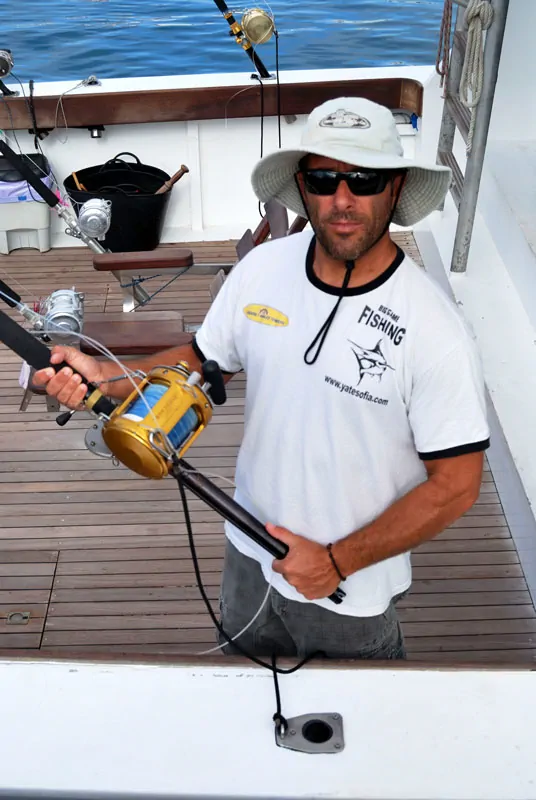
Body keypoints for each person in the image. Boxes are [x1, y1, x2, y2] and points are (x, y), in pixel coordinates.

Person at [34, 96, 490, 662]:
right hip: (246, 549)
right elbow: (203, 360)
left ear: (395, 188)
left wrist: (337, 561)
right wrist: (106, 374)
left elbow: (456, 485)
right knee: (240, 705)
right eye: (324, 179)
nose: (342, 200)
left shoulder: (435, 328)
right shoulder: (262, 269)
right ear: (303, 187)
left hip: (351, 591)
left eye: (365, 180)